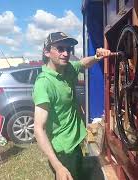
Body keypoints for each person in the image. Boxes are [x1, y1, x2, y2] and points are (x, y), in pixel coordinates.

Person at [33, 32, 111, 180]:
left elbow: (82, 63)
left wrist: (96, 57)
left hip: (75, 143)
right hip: (63, 152)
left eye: (68, 49)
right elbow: (38, 128)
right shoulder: (44, 83)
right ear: (47, 52)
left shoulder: (67, 69)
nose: (66, 53)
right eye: (60, 48)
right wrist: (58, 166)